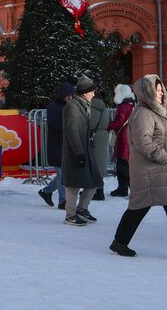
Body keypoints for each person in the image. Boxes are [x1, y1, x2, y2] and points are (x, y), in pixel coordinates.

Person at [109, 75, 167, 262]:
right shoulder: (143, 113)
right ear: (148, 93)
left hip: (165, 171)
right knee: (140, 206)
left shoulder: (158, 112)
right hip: (154, 170)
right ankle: (120, 242)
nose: (161, 94)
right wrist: (164, 157)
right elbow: (144, 141)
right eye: (157, 90)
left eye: (162, 90)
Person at [61, 75, 103, 226]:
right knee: (73, 184)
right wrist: (79, 152)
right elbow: (72, 131)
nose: (93, 94)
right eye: (92, 91)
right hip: (76, 151)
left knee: (95, 180)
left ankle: (82, 209)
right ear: (85, 92)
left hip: (85, 149)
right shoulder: (72, 106)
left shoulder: (85, 105)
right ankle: (70, 215)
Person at [38, 83, 74, 210]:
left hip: (65, 144)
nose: (70, 97)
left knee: (62, 173)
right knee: (61, 173)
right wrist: (69, 125)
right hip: (57, 144)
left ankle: (46, 191)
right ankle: (62, 200)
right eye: (67, 95)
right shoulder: (54, 107)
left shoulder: (69, 106)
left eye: (71, 95)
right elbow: (54, 125)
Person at [108, 84, 135, 197]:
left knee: (122, 165)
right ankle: (122, 188)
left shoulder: (123, 106)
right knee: (122, 164)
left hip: (123, 138)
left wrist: (107, 125)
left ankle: (131, 189)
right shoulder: (132, 105)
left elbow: (119, 122)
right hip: (129, 137)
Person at [89, 91, 111, 201]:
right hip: (103, 135)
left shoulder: (90, 107)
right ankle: (100, 190)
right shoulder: (105, 108)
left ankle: (94, 191)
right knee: (101, 163)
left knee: (92, 163)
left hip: (92, 136)